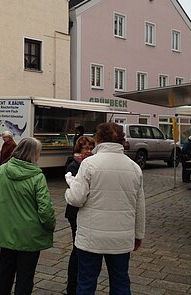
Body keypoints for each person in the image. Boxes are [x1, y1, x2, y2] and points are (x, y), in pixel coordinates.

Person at [65, 122, 145, 295]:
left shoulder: (89, 164)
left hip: (91, 236)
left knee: (86, 282)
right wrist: (138, 234)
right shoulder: (134, 168)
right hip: (121, 236)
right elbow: (140, 205)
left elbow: (76, 199)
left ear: (99, 139)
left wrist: (69, 187)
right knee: (120, 281)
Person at [0, 137, 56, 295]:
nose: (39, 157)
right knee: (25, 276)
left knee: (4, 272)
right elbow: (45, 209)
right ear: (33, 154)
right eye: (38, 153)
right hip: (30, 235)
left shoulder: (2, 170)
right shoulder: (37, 176)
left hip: (6, 232)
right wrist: (50, 226)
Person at [65, 136, 95, 295]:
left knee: (80, 249)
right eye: (86, 149)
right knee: (77, 249)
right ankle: (72, 286)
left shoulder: (90, 164)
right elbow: (76, 190)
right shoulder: (73, 165)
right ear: (79, 150)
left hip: (85, 211)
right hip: (75, 212)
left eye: (91, 148)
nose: (89, 151)